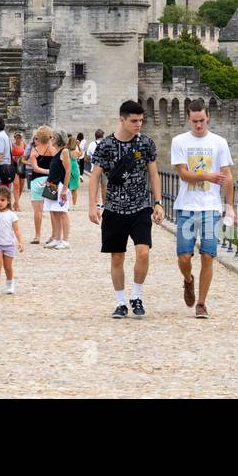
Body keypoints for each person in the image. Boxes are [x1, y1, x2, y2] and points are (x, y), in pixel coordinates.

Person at [88, 100, 165, 318]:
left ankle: (136, 295)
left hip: (140, 206)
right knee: (117, 257)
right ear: (122, 120)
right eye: (134, 120)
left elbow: (153, 174)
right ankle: (121, 301)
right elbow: (94, 176)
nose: (138, 124)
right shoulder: (106, 146)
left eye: (141, 120)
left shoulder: (146, 144)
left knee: (143, 252)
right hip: (114, 208)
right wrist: (92, 206)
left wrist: (158, 202)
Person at [172, 98, 236, 319]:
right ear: (188, 118)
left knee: (208, 255)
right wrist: (208, 175)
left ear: (207, 116)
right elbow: (184, 174)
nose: (198, 125)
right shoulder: (179, 141)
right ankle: (188, 280)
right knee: (184, 257)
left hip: (210, 207)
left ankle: (201, 303)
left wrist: (230, 206)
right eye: (194, 121)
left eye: (202, 120)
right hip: (186, 206)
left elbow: (227, 176)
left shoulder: (219, 142)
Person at [26, 125, 63, 245]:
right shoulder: (53, 150)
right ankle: (54, 235)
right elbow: (58, 166)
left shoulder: (34, 151)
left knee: (37, 211)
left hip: (36, 181)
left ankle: (37, 236)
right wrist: (49, 172)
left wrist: (44, 171)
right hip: (51, 181)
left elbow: (35, 168)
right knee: (52, 209)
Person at [42, 130, 74, 248]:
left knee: (62, 212)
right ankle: (56, 238)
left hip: (60, 186)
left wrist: (65, 189)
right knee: (54, 212)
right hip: (52, 185)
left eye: (53, 137)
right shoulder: (57, 152)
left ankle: (65, 240)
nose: (51, 139)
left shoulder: (64, 151)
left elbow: (68, 170)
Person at [10, 133, 26, 210]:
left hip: (22, 165)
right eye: (17, 137)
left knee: (21, 186)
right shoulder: (12, 145)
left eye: (20, 137)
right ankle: (17, 205)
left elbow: (27, 155)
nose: (18, 139)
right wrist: (14, 157)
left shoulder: (24, 145)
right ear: (15, 138)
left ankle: (16, 202)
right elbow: (9, 155)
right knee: (16, 185)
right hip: (14, 165)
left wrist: (23, 158)